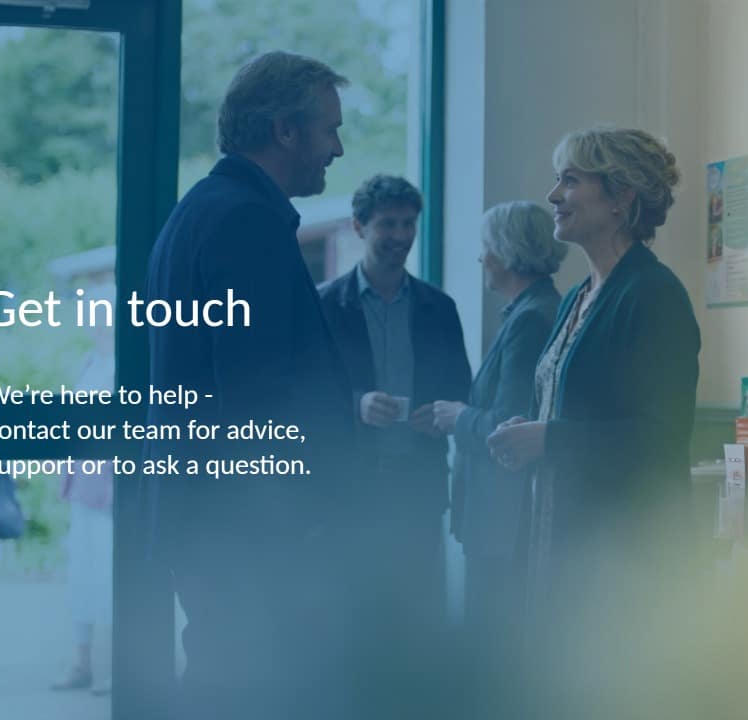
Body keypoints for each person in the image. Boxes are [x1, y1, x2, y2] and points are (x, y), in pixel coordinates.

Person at [144, 51, 361, 719]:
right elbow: (258, 393)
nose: (338, 148)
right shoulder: (245, 221)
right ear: (284, 131)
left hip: (215, 529)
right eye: (329, 128)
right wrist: (303, 523)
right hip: (251, 535)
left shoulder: (203, 210)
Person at [486, 127, 701, 703]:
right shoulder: (580, 296)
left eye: (571, 180)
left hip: (619, 564)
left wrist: (550, 440)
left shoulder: (654, 295)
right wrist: (524, 434)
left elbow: (662, 437)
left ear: (621, 197)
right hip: (554, 550)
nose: (553, 195)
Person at [317, 174, 471, 654]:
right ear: (359, 227)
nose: (401, 236)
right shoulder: (323, 306)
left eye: (409, 224)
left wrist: (441, 414)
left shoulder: (438, 308)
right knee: (349, 619)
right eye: (388, 224)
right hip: (347, 492)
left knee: (414, 623)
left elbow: (460, 389)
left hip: (417, 490)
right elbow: (304, 396)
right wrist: (355, 404)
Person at [431, 202, 564, 652]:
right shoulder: (532, 310)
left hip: (503, 520)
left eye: (486, 247)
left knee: (493, 647)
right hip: (501, 518)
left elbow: (510, 425)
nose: (480, 257)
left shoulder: (531, 319)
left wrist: (457, 417)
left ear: (508, 252)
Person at [52, 291, 114, 696]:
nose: (92, 324)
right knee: (81, 572)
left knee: (109, 573)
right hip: (81, 485)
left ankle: (115, 666)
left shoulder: (126, 365)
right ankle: (81, 662)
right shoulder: (89, 363)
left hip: (110, 488)